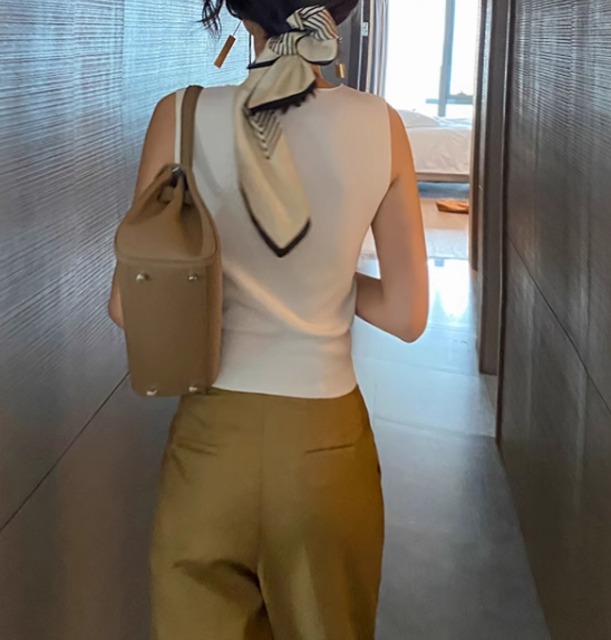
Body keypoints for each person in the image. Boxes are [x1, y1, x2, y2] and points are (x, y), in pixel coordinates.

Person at [108, 1, 428, 638]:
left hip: (210, 447)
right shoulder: (381, 125)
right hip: (326, 450)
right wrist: (328, 280)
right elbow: (406, 313)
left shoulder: (180, 116)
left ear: (237, 9)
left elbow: (125, 305)